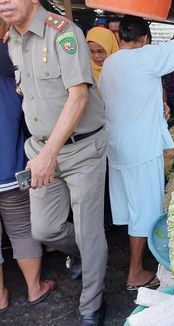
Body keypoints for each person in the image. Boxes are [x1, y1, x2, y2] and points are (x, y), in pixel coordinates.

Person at [1, 1, 108, 325]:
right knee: (44, 228)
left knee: (90, 232)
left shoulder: (64, 34)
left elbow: (79, 96)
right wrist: (43, 154)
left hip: (81, 149)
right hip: (40, 150)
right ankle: (84, 256)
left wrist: (50, 156)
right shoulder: (12, 40)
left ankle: (92, 304)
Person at [99, 0, 174, 291]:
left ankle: (133, 262)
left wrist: (157, 109)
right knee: (144, 211)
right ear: (145, 39)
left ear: (119, 37)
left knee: (131, 210)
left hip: (118, 148)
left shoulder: (110, 63)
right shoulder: (146, 56)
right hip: (141, 150)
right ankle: (135, 273)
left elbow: (129, 99)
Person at [0, 17, 56, 313]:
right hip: (9, 169)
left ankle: (0, 296)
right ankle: (34, 288)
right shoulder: (10, 87)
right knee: (21, 229)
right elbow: (30, 121)